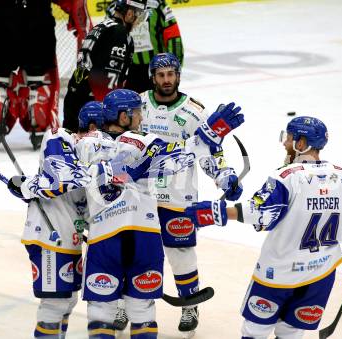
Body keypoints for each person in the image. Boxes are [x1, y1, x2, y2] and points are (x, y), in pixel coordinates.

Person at [8, 88, 244, 338]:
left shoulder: (82, 145)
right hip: (145, 236)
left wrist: (28, 186)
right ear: (123, 116)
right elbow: (183, 154)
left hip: (103, 238)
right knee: (142, 312)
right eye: (138, 113)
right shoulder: (145, 141)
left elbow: (60, 180)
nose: (141, 118)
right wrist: (210, 133)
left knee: (100, 313)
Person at [185, 116, 342, 339]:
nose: (284, 143)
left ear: (301, 144)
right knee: (292, 333)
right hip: (321, 274)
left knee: (255, 332)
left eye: (289, 138)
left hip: (279, 273)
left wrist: (216, 212)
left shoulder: (287, 176)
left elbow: (262, 214)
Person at [115, 52, 242, 336]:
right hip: (139, 194)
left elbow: (211, 151)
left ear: (179, 76)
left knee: (181, 251)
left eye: (171, 74)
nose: (166, 80)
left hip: (178, 195)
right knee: (131, 250)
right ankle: (124, 303)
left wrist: (224, 176)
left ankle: (190, 304)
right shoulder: (137, 104)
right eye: (161, 75)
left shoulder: (196, 112)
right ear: (153, 77)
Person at [9, 101, 105, 338]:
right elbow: (59, 179)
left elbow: (84, 202)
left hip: (68, 237)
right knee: (54, 304)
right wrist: (32, 186)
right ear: (93, 127)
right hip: (49, 236)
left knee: (68, 301)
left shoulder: (95, 153)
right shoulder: (59, 136)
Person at [0, 0, 91, 150]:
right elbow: (73, 3)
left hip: (0, 22)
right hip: (39, 22)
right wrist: (80, 24)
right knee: (38, 78)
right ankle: (39, 114)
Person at [62, 0, 147, 132]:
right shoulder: (119, 33)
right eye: (139, 14)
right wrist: (110, 117)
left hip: (75, 99)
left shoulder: (103, 26)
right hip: (91, 109)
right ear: (129, 13)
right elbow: (109, 78)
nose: (138, 21)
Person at [120, 0, 184, 93]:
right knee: (131, 105)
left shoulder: (158, 6)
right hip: (129, 72)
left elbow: (174, 38)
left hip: (157, 69)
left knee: (161, 104)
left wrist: (174, 69)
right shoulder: (120, 5)